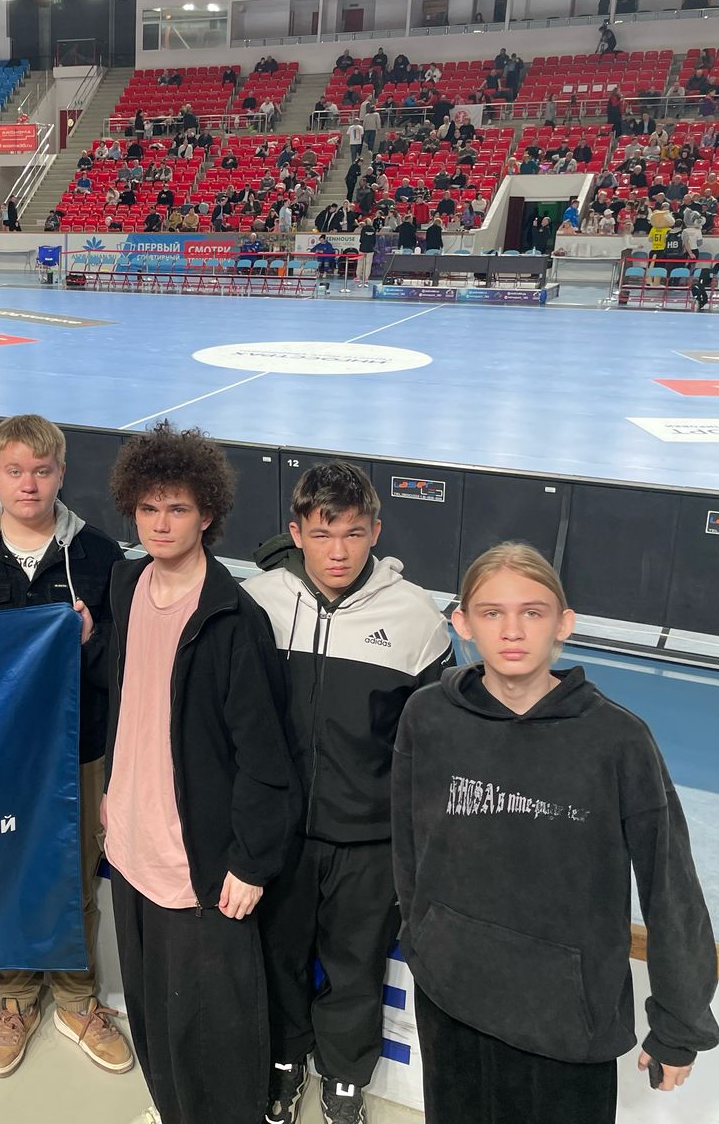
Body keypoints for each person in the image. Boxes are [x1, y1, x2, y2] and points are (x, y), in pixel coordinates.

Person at [393, 543, 719, 1123]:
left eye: (533, 612)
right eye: (492, 612)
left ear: (563, 624)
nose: (512, 630)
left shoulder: (618, 741)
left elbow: (670, 886)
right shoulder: (428, 716)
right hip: (452, 997)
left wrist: (680, 1021)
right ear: (463, 624)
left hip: (567, 1021)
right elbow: (408, 844)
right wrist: (425, 942)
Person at [0, 415, 132, 1079]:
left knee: (74, 875)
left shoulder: (98, 556)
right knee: (5, 870)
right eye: (15, 470)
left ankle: (76, 998)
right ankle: (16, 996)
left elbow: (120, 664)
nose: (29, 484)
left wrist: (90, 641)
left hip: (79, 749)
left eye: (42, 471)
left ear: (61, 473)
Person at [242, 463, 452, 1124]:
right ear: (296, 531)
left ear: (375, 533)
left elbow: (432, 747)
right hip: (278, 836)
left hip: (369, 840)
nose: (338, 551)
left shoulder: (417, 619)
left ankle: (343, 1076)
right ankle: (282, 1061)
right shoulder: (257, 603)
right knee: (277, 959)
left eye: (354, 534)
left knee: (355, 968)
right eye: (323, 533)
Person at [103, 422, 299, 1124]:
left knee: (212, 1033)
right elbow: (130, 696)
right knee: (153, 1014)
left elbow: (265, 756)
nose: (161, 523)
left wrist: (251, 861)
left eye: (178, 508)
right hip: (131, 845)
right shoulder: (125, 584)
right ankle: (170, 1108)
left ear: (207, 514)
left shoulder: (233, 617)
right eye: (149, 508)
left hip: (203, 864)